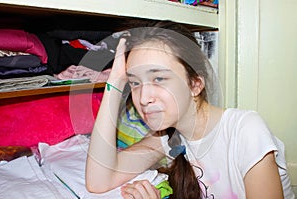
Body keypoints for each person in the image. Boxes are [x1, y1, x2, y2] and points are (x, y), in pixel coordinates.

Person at [85, 20, 295, 199]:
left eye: (159, 79)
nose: (143, 98)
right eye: (136, 83)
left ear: (195, 84)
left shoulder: (245, 130)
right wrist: (115, 82)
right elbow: (99, 180)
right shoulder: (168, 139)